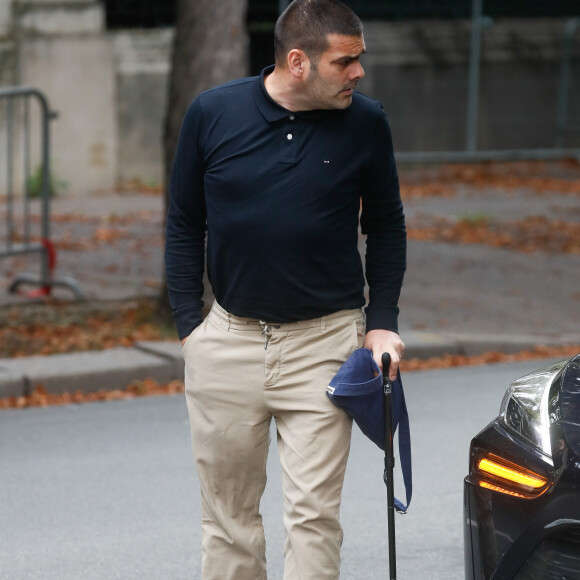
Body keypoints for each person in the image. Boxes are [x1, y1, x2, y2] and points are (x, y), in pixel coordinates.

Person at [164, 0, 406, 577]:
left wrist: (383, 322)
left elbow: (386, 225)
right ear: (298, 62)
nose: (358, 73)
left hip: (324, 346)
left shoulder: (367, 123)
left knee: (314, 518)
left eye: (360, 59)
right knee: (227, 518)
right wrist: (189, 327)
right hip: (227, 342)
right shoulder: (212, 114)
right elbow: (182, 222)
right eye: (345, 61)